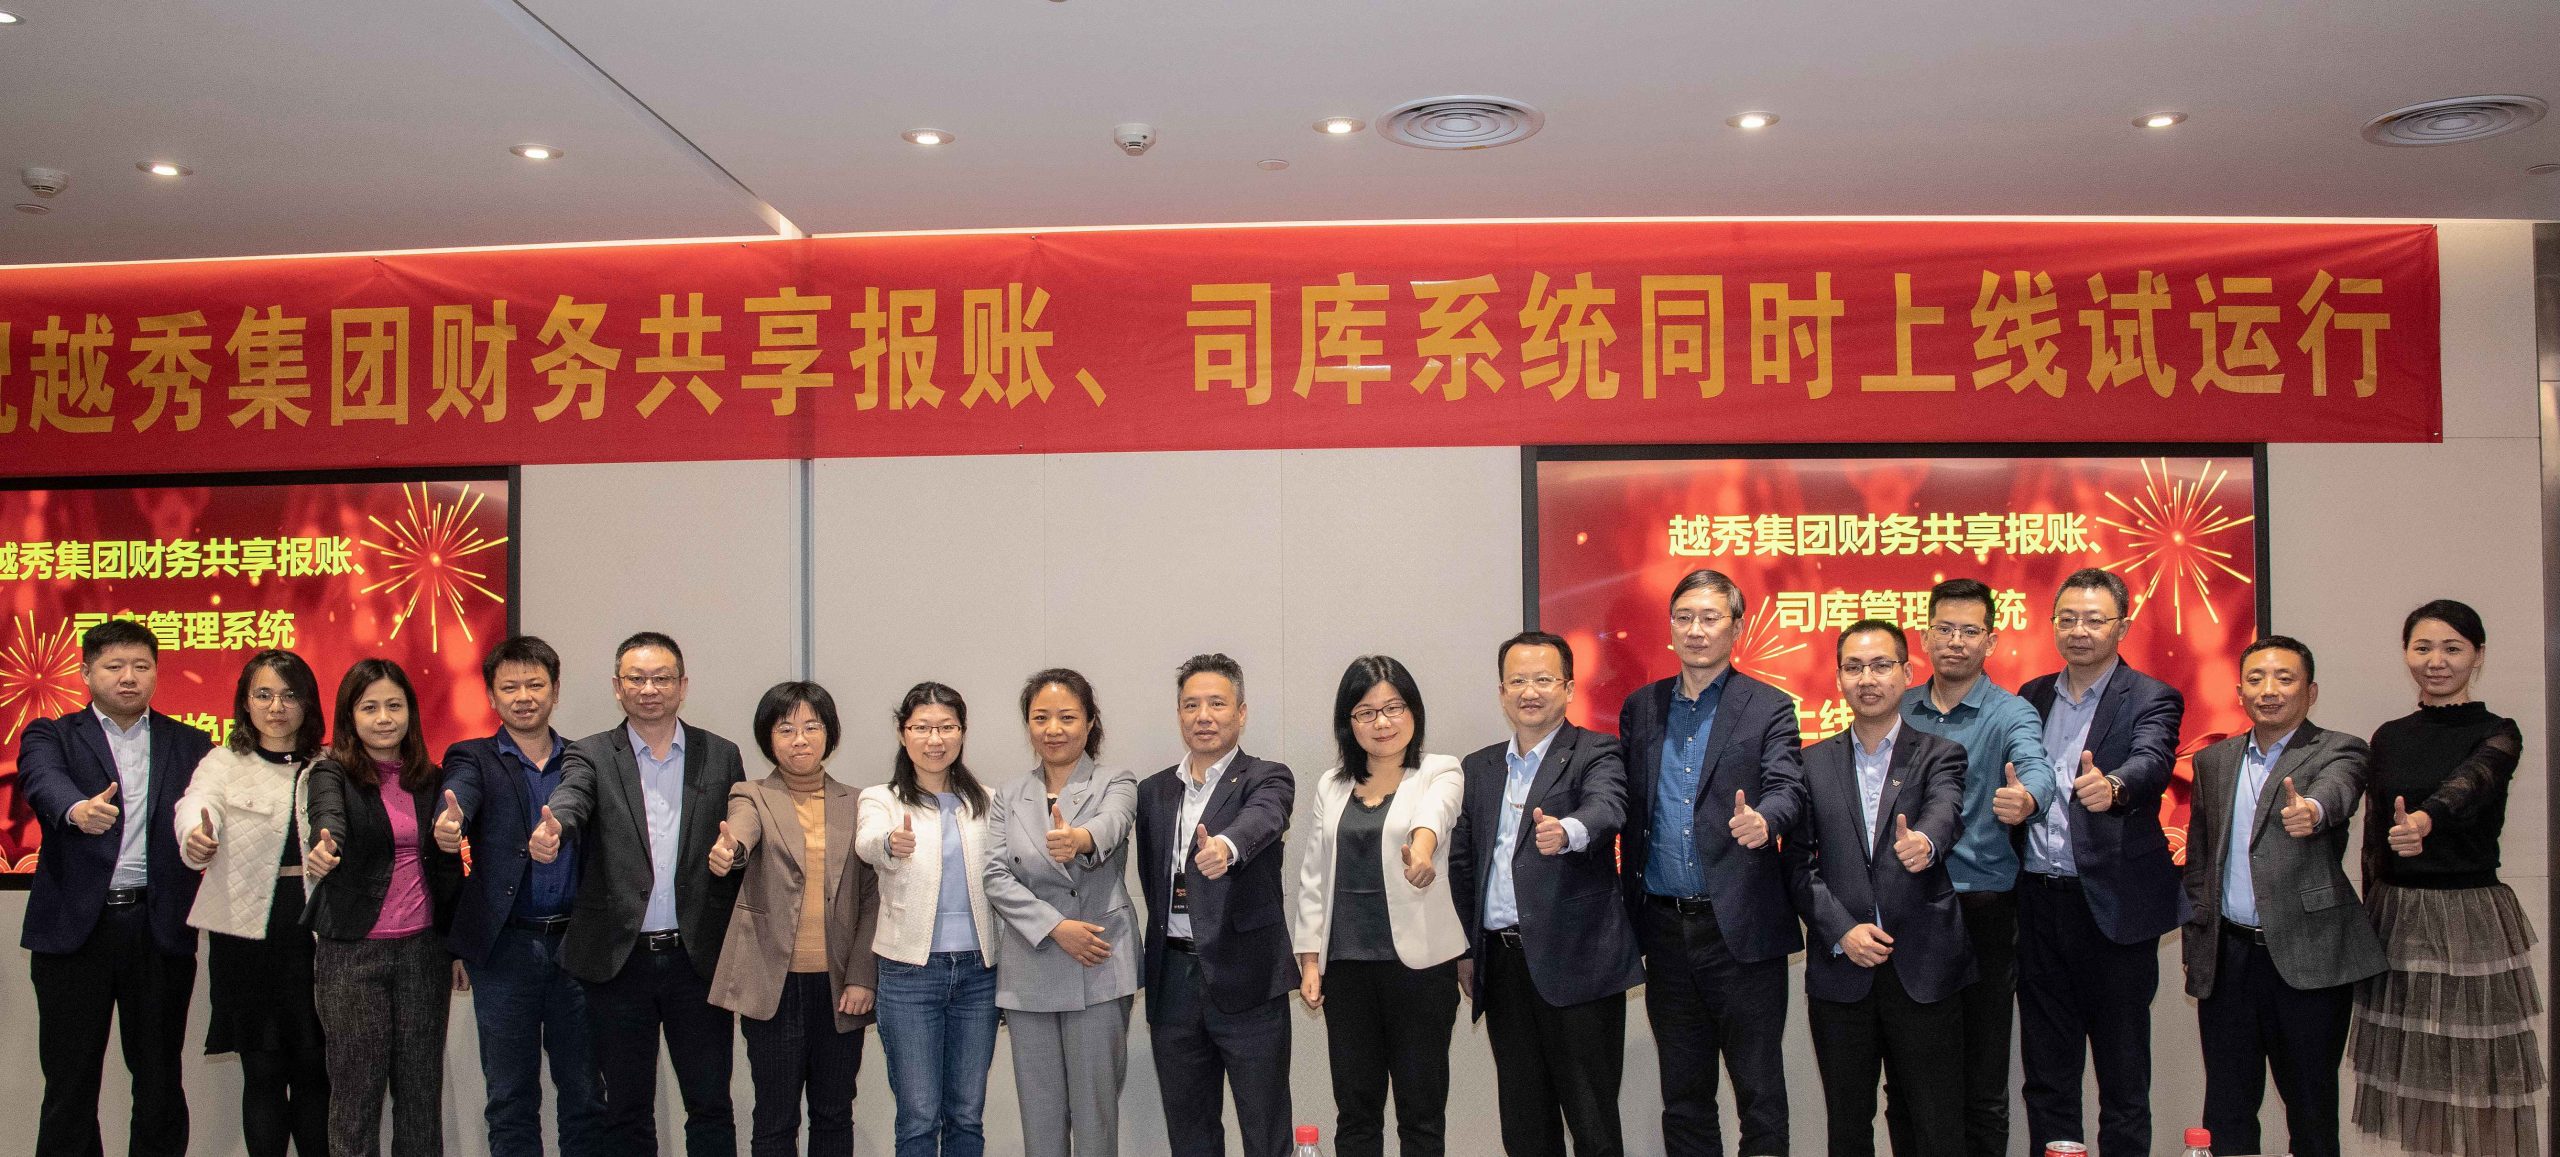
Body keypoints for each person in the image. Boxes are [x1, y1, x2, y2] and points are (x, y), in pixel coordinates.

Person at [1614, 570, 1806, 1157]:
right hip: (1665, 929)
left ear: (1736, 627)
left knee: (1759, 1093)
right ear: (1670, 626)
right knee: (1684, 1095)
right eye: (1684, 618)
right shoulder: (1642, 706)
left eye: (1710, 618)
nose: (1696, 630)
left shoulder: (1769, 706)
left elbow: (1789, 785)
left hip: (1741, 929)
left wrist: (1766, 820)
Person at [533, 631, 747, 1157]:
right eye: (637, 679)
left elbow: (741, 826)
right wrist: (557, 826)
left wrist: (736, 852)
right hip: (619, 960)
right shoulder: (590, 754)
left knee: (710, 1105)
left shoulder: (720, 754)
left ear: (682, 685)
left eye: (661, 679)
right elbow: (572, 797)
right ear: (617, 686)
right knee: (626, 1110)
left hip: (697, 958)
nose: (649, 689)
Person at [2351, 599, 2544, 1157]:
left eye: (2452, 648)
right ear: (2407, 654)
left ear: (2477, 656)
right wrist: (2368, 918)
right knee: (2415, 1072)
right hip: (2398, 913)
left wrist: (2424, 820)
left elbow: (2471, 784)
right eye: (2423, 647)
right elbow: (2373, 839)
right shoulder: (2389, 736)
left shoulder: (2498, 732)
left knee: (2479, 1071)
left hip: (2469, 916)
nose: (2436, 661)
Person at [18, 618, 214, 1157]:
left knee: (159, 1081)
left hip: (157, 929)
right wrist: (76, 809)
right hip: (75, 933)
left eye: (141, 666)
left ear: (156, 672)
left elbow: (206, 809)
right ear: (86, 673)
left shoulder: (190, 743)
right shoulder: (52, 735)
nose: (129, 677)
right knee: (70, 1083)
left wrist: (203, 841)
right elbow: (42, 780)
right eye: (114, 666)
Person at [2181, 636, 2383, 1157]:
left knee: (2311, 1109)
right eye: (2256, 679)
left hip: (2308, 955)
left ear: (2310, 692)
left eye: (2284, 678)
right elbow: (2200, 857)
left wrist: (2313, 810)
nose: (2268, 690)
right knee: (2226, 1107)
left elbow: (2338, 790)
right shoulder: (2214, 760)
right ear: (2240, 692)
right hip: (2228, 958)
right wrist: (2198, 940)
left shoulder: (2340, 748)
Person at [1449, 631, 1644, 1157]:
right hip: (1503, 966)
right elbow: (1464, 864)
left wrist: (1569, 831)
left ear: (1569, 688)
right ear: (1501, 692)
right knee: (1524, 1126)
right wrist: (1468, 949)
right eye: (1517, 681)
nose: (1529, 692)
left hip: (1578, 963)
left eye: (1543, 679)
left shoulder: (1596, 751)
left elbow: (1608, 808)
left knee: (1592, 1125)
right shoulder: (1480, 767)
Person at [1786, 620, 1974, 1157]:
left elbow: (1945, 810)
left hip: (1924, 969)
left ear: (1908, 673)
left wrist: (1926, 843)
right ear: (1838, 679)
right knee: (1848, 1127)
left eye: (1880, 665)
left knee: (1934, 1125)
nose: (1867, 679)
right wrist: (1841, 931)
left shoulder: (1940, 753)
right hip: (1843, 971)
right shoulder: (1810, 763)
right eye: (1853, 667)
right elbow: (1798, 865)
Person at [2015, 568, 2186, 1157]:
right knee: (2048, 1071)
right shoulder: (2031, 696)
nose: (2079, 631)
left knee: (2122, 1074)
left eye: (2094, 619)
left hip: (2114, 906)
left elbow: (2152, 760)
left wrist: (2113, 786)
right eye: (2067, 619)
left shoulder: (2152, 696)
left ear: (2123, 627)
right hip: (2038, 903)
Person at [1885, 577, 2059, 1157]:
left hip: (1979, 910)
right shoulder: (1898, 706)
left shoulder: (2010, 713)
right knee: (1907, 1079)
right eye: (1944, 629)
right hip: (1907, 907)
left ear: (1991, 641)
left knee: (1982, 1078)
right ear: (1925, 636)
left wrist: (2027, 798)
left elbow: (2036, 768)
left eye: (1969, 631)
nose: (1955, 642)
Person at [432, 635, 605, 1157]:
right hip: (505, 951)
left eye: (535, 684)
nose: (523, 697)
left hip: (577, 948)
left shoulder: (584, 759)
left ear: (555, 691)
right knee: (510, 1099)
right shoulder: (473, 756)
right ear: (491, 695)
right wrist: (451, 821)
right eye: (510, 687)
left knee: (585, 1095)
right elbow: (460, 791)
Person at [1291, 655, 1467, 1157]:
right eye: (1366, 712)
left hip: (1421, 970)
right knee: (1356, 1114)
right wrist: (1310, 961)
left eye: (1394, 708)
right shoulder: (1331, 785)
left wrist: (1423, 851)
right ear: (1348, 722)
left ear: (1414, 711)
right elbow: (1314, 875)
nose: (1382, 722)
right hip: (1347, 969)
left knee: (1421, 1115)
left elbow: (1435, 816)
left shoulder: (1440, 770)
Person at [707, 681, 882, 1157]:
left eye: (811, 727)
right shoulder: (751, 794)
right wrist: (731, 850)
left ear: (829, 734)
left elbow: (873, 899)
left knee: (834, 1113)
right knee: (775, 1118)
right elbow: (742, 830)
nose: (799, 739)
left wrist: (862, 976)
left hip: (840, 987)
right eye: (786, 729)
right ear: (769, 738)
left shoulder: (860, 802)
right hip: (774, 986)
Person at [304, 657, 466, 1157]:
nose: (383, 718)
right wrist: (324, 845)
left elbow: (446, 872)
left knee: (420, 1095)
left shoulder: (431, 778)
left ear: (410, 712)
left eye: (394, 706)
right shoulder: (330, 773)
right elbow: (327, 818)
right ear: (349, 715)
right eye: (369, 707)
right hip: (352, 954)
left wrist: (455, 945)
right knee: (356, 1097)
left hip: (423, 953)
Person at [1136, 653, 1297, 1157]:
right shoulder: (1153, 791)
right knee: (1190, 1134)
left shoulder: (1267, 777)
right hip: (1173, 981)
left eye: (1217, 704)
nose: (1203, 716)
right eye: (1191, 705)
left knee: (1265, 1130)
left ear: (1241, 713)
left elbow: (1264, 819)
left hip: (1248, 979)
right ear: (1179, 714)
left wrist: (1225, 847)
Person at [174, 649, 330, 1157]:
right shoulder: (223, 762)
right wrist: (196, 837)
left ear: (308, 703)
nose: (276, 707)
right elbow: (195, 805)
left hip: (316, 930)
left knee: (315, 1067)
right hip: (246, 933)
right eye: (263, 695)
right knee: (262, 1072)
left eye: (289, 695)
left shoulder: (329, 765)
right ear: (245, 702)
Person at [982, 670, 1141, 1157]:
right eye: (1041, 718)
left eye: (1067, 717)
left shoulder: (1116, 781)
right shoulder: (1009, 795)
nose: (1053, 729)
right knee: (1040, 1118)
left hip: (1097, 959)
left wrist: (1079, 839)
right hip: (1031, 965)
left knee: (1095, 1117)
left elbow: (1112, 825)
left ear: (1090, 722)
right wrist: (1054, 927)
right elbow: (995, 875)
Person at [855, 682, 1001, 1157]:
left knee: (966, 1113)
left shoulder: (988, 801)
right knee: (919, 1116)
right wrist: (889, 844)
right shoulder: (881, 799)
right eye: (921, 727)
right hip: (909, 973)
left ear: (962, 732)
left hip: (979, 973)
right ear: (903, 733)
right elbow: (867, 841)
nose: (935, 739)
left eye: (946, 727)